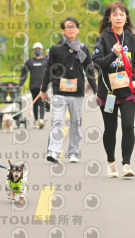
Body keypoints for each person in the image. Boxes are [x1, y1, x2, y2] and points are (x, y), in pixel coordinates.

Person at [92, 1, 135, 178]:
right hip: (108, 93)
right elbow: (97, 63)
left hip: (128, 92)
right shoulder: (102, 38)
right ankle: (111, 163)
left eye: (121, 14)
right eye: (114, 14)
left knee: (128, 125)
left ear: (126, 18)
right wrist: (113, 54)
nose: (118, 17)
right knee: (110, 128)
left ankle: (126, 164)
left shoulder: (133, 38)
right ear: (109, 18)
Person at [40, 17, 98, 164]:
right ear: (63, 31)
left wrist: (96, 90)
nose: (71, 29)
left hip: (77, 92)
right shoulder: (55, 49)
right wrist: (43, 89)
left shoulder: (84, 49)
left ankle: (73, 152)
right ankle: (53, 152)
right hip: (59, 91)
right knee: (57, 121)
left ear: (78, 30)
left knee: (75, 123)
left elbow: (89, 70)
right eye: (68, 27)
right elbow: (48, 69)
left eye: (74, 27)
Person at [18, 42, 47, 129]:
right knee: (35, 103)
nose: (37, 51)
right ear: (34, 51)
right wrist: (20, 84)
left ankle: (41, 120)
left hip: (42, 86)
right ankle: (36, 120)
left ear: (42, 50)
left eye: (39, 49)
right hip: (33, 86)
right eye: (36, 49)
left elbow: (50, 72)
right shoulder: (30, 62)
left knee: (42, 102)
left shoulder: (46, 61)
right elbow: (24, 73)